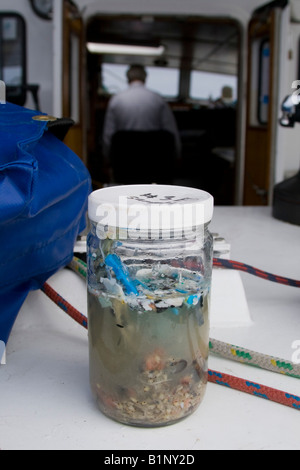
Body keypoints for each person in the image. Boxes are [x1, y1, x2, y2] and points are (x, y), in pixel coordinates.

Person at [102, 64, 181, 160]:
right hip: (154, 158)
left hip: (124, 160)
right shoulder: (158, 99)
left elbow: (108, 135)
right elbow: (171, 132)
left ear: (127, 78)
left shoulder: (116, 100)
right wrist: (177, 156)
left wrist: (107, 158)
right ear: (145, 77)